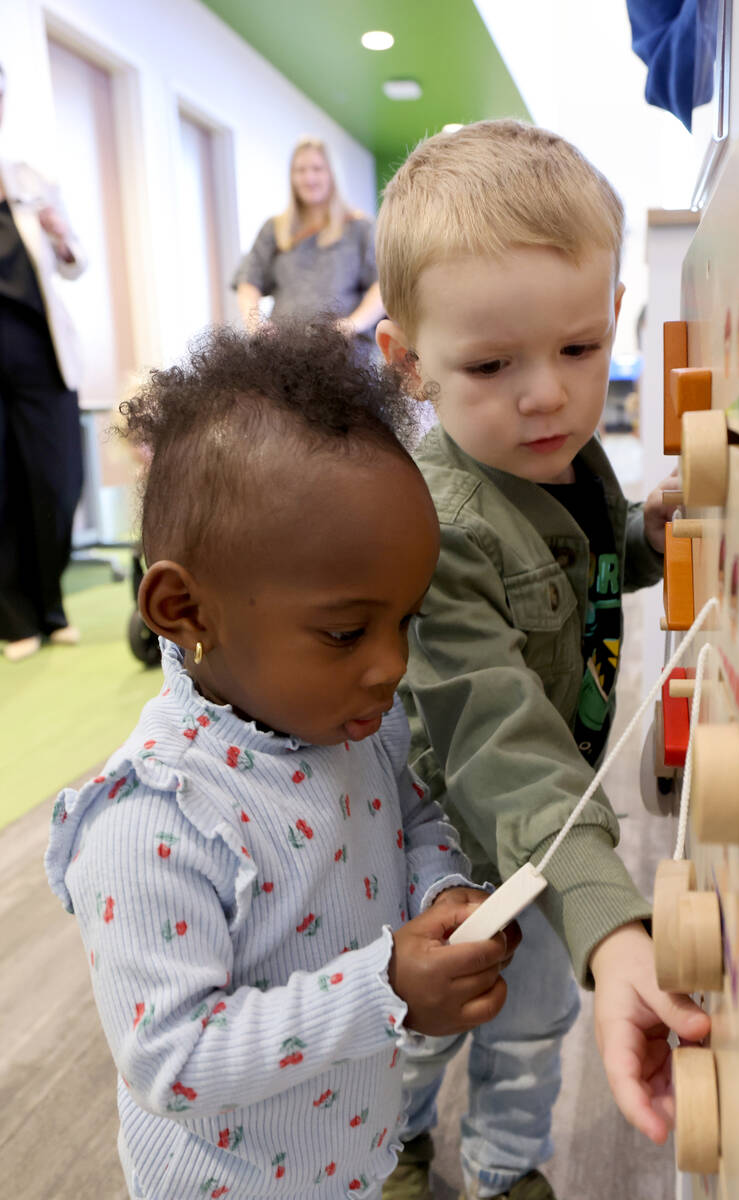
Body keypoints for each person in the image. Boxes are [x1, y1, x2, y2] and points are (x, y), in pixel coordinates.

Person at [44, 320, 520, 1200]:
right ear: (184, 608)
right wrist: (380, 988)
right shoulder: (153, 817)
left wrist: (440, 889)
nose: (392, 665)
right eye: (346, 631)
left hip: (349, 1157)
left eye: (404, 622)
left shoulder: (350, 722)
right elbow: (173, 1061)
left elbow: (412, 818)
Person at [373, 120, 711, 1200]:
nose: (547, 396)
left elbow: (581, 582)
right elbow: (493, 734)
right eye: (490, 364)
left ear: (614, 315)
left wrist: (644, 546)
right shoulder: (438, 525)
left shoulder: (566, 458)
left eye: (576, 349)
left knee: (536, 1025)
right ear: (407, 363)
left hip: (554, 839)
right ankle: (395, 1148)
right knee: (427, 1031)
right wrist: (611, 921)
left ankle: (509, 1166)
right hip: (454, 851)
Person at [0, 60, 86, 662]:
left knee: (56, 481)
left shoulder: (27, 177)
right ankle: (14, 616)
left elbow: (75, 262)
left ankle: (51, 602)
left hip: (40, 355)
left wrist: (61, 236)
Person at [233, 136, 385, 361]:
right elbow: (247, 282)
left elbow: (382, 287)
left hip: (346, 357)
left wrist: (352, 325)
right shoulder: (274, 228)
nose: (309, 177)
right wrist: (256, 325)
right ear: (292, 177)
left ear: (331, 174)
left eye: (317, 168)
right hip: (285, 357)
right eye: (300, 170)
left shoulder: (360, 228)